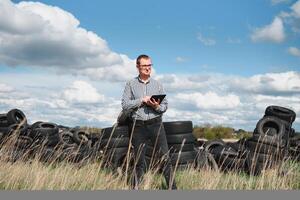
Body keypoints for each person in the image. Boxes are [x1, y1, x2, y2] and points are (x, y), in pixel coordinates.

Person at [121, 54, 177, 190]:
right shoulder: (130, 84)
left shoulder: (158, 85)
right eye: (145, 66)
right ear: (138, 67)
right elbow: (125, 105)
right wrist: (142, 100)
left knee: (165, 158)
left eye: (150, 65)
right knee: (139, 161)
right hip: (138, 126)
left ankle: (173, 189)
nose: (148, 68)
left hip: (156, 124)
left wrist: (155, 106)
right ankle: (136, 188)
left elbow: (165, 106)